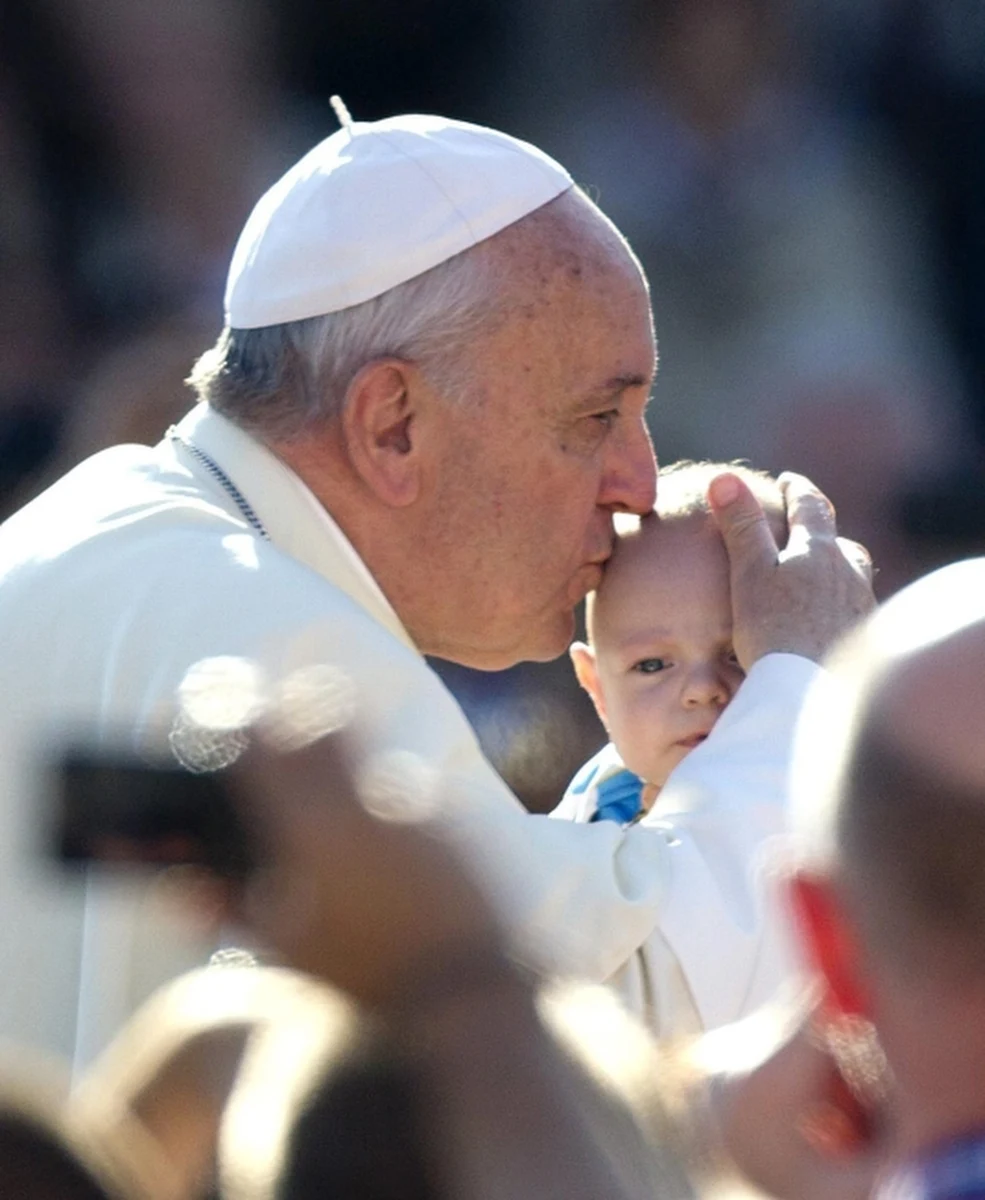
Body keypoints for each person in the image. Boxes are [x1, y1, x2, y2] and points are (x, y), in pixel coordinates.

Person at [0, 107, 873, 1063]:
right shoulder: (295, 670)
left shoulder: (75, 527)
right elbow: (605, 1020)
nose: (634, 486)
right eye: (595, 417)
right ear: (392, 426)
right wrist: (794, 684)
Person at [553, 460, 791, 1035]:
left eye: (739, 650)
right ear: (597, 688)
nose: (703, 689)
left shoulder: (864, 805)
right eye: (652, 665)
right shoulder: (584, 821)